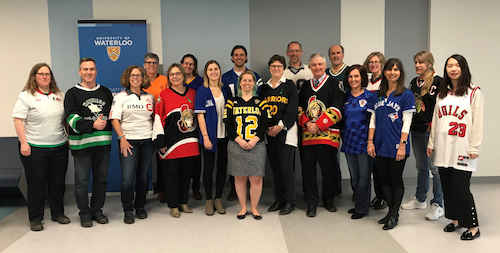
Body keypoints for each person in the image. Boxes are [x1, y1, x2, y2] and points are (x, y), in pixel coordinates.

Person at [427, 54, 484, 240]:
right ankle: (455, 219)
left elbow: (478, 122)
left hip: (462, 147)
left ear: (464, 68)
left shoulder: (474, 92)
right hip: (444, 147)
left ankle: (473, 226)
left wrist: (474, 147)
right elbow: (435, 120)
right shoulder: (442, 93)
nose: (453, 69)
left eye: (457, 65)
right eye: (449, 65)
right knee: (447, 185)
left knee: (460, 187)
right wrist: (432, 143)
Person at [12, 63, 69, 231]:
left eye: (48, 74)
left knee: (58, 182)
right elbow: (18, 120)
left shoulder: (60, 95)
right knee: (37, 184)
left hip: (59, 146)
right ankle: (35, 218)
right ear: (34, 76)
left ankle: (58, 213)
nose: (45, 76)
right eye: (41, 73)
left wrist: (68, 139)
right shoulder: (26, 96)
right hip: (35, 147)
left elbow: (65, 120)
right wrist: (24, 142)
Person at [367, 58, 416, 230]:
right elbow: (372, 120)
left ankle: (394, 213)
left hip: (397, 145)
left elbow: (407, 121)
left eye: (396, 69)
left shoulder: (406, 94)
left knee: (396, 179)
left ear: (400, 73)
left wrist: (402, 145)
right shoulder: (377, 95)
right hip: (379, 144)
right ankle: (390, 211)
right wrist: (370, 142)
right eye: (389, 69)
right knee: (383, 180)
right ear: (385, 72)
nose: (392, 72)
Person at [64, 58, 113, 228]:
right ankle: (84, 213)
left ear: (96, 71)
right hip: (82, 145)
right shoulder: (72, 93)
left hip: (103, 144)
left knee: (101, 180)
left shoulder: (106, 92)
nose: (89, 72)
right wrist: (92, 125)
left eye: (92, 69)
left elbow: (112, 116)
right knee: (82, 181)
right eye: (85, 69)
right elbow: (71, 118)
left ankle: (97, 210)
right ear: (79, 71)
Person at [298, 53, 344, 217]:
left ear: (325, 65)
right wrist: (307, 124)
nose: (317, 67)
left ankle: (328, 200)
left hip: (328, 136)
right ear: (309, 67)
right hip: (308, 136)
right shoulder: (305, 86)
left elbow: (337, 109)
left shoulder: (334, 84)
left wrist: (318, 124)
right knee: (308, 170)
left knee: (328, 169)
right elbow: (299, 109)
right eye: (313, 65)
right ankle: (311, 202)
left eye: (320, 64)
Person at [401, 51, 444, 221]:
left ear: (430, 63)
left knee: (435, 168)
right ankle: (420, 199)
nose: (418, 65)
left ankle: (438, 203)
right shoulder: (414, 82)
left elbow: (442, 108)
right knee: (421, 166)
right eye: (416, 62)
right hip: (416, 130)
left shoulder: (439, 82)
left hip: (431, 131)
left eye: (421, 62)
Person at [153, 63, 200, 218]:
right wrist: (160, 141)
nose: (175, 76)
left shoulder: (193, 93)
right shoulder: (163, 95)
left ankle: (183, 202)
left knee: (186, 175)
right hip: (171, 145)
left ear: (183, 75)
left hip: (190, 142)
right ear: (169, 77)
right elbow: (158, 119)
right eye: (172, 74)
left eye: (178, 73)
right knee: (171, 176)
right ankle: (173, 205)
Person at [224, 70, 271, 220]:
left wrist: (254, 139)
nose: (247, 83)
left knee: (256, 178)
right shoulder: (231, 102)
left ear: (254, 83)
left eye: (250, 80)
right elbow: (228, 124)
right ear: (240, 83)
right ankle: (243, 207)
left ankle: (255, 208)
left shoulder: (261, 102)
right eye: (244, 80)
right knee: (240, 177)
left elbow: (265, 123)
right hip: (236, 144)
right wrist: (239, 140)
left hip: (256, 145)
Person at [110, 66, 155, 224]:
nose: (136, 78)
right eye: (132, 75)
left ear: (143, 78)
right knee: (128, 178)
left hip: (147, 141)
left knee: (143, 176)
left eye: (139, 75)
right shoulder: (120, 97)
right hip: (128, 141)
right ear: (127, 78)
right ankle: (128, 209)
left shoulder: (150, 97)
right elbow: (114, 119)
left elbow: (154, 119)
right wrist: (122, 138)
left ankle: (140, 206)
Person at [222, 45, 263, 201]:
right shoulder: (225, 77)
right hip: (234, 120)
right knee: (235, 159)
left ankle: (253, 194)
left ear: (246, 57)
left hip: (251, 122)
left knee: (253, 163)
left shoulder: (255, 76)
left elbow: (258, 97)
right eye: (236, 55)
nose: (239, 57)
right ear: (232, 57)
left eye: (242, 55)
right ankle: (234, 188)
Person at [260, 55, 299, 215]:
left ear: (283, 68)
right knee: (275, 168)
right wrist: (268, 127)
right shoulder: (264, 88)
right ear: (269, 68)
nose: (276, 68)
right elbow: (261, 109)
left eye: (279, 66)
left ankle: (290, 201)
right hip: (270, 133)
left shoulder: (289, 86)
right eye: (273, 66)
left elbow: (292, 109)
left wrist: (280, 126)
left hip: (286, 132)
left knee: (286, 168)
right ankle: (279, 198)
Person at [194, 60, 231, 215]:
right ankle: (209, 200)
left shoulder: (226, 90)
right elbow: (200, 116)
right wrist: (205, 137)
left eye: (216, 69)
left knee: (222, 169)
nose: (213, 72)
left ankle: (218, 199)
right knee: (208, 169)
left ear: (219, 71)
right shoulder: (202, 91)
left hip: (225, 136)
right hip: (209, 137)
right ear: (206, 72)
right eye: (210, 69)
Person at [341, 65, 374, 219]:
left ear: (362, 78)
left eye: (356, 76)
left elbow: (374, 121)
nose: (353, 79)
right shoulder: (345, 97)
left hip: (364, 142)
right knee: (354, 176)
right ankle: (358, 204)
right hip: (348, 141)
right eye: (350, 77)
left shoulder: (370, 96)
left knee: (364, 176)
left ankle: (362, 208)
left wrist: (371, 141)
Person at [362, 51, 388, 210]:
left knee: (381, 166)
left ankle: (384, 197)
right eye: (371, 62)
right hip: (366, 126)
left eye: (377, 62)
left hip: (381, 127)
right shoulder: (366, 81)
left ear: (382, 64)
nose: (373, 64)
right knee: (372, 166)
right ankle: (377, 196)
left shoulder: (386, 82)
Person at [142, 52, 168, 203]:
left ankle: (162, 190)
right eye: (149, 62)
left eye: (154, 63)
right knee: (143, 162)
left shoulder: (165, 80)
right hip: (144, 126)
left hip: (161, 125)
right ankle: (142, 193)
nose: (151, 65)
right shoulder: (139, 80)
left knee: (162, 159)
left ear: (157, 65)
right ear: (144, 65)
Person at [181, 54, 203, 200]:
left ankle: (195, 187)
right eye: (186, 63)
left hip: (197, 124)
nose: (188, 66)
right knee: (181, 158)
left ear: (195, 67)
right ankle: (181, 188)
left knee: (196, 157)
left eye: (191, 64)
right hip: (181, 125)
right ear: (181, 64)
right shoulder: (175, 79)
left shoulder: (200, 82)